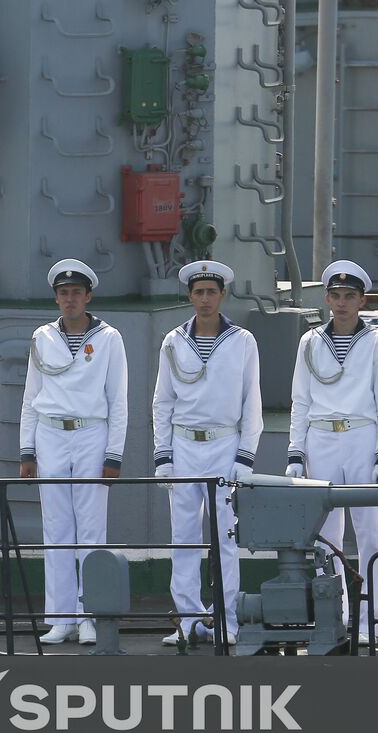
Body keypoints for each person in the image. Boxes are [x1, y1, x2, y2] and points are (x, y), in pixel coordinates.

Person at [285, 260, 378, 646]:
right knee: (324, 538)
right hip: (321, 439)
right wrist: (295, 451)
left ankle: (371, 620)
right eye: (335, 295)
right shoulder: (310, 341)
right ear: (327, 298)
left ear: (363, 301)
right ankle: (333, 618)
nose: (342, 303)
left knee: (370, 534)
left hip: (361, 438)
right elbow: (300, 401)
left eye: (350, 296)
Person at [152, 260, 262, 646]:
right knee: (182, 539)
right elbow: (162, 402)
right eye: (198, 292)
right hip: (183, 447)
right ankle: (186, 620)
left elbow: (252, 404)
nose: (204, 299)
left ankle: (227, 620)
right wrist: (162, 455)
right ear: (189, 296)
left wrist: (244, 457)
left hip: (224, 446)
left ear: (222, 295)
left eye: (210, 292)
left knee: (225, 542)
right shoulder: (173, 341)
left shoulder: (243, 342)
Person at [18, 259, 128, 645]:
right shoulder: (42, 337)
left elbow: (118, 400)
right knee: (57, 528)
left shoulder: (109, 337)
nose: (69, 300)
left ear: (88, 296)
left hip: (91, 435)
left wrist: (113, 455)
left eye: (76, 293)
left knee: (92, 530)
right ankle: (61, 616)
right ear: (57, 298)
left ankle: (90, 616)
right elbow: (31, 397)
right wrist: (26, 450)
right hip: (50, 436)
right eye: (63, 294)